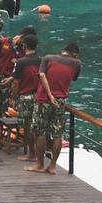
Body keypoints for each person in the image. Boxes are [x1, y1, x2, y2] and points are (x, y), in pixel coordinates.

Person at [25, 42, 82, 175]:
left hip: (43, 99)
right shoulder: (77, 64)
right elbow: (73, 78)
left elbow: (42, 75)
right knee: (57, 134)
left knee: (40, 132)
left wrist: (50, 95)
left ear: (63, 51)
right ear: (75, 55)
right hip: (60, 101)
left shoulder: (48, 58)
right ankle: (52, 166)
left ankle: (40, 164)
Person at [10, 35, 41, 161]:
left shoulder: (21, 62)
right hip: (39, 96)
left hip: (26, 96)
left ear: (24, 46)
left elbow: (16, 82)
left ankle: (31, 153)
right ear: (36, 46)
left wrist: (13, 97)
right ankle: (39, 155)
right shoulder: (41, 60)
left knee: (27, 126)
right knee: (38, 126)